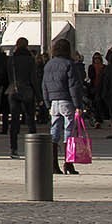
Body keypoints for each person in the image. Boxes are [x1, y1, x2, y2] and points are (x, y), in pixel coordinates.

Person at [42, 35, 89, 175]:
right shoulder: (69, 64)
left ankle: (53, 164)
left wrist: (47, 102)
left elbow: (43, 85)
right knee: (69, 131)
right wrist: (78, 105)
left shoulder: (48, 65)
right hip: (67, 100)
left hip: (53, 102)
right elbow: (74, 86)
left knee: (54, 131)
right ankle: (68, 163)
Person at [2, 37, 42, 159]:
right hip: (27, 91)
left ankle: (13, 148)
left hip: (13, 90)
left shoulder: (11, 59)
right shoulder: (30, 60)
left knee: (14, 120)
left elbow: (7, 76)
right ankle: (34, 148)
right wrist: (39, 96)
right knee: (30, 119)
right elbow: (33, 79)